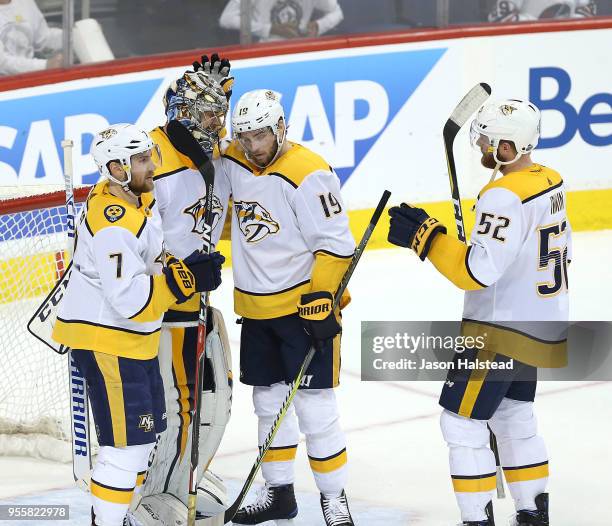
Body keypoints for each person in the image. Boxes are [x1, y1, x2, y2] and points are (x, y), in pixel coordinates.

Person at [387, 99, 570, 525]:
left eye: (488, 139)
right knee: (514, 416)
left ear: (508, 147)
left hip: (497, 329)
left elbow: (475, 271)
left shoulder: (501, 194)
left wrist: (427, 237)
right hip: (539, 322)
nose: (482, 145)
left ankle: (477, 520)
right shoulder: (550, 180)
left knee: (462, 424)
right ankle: (532, 513)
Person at [51, 123, 224, 526]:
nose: (152, 166)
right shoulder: (114, 223)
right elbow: (129, 300)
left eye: (150, 156)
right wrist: (184, 283)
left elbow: (153, 258)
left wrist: (186, 270)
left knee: (143, 441)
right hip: (109, 341)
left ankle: (120, 516)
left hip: (133, 342)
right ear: (116, 167)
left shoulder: (136, 201)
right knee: (125, 448)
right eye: (142, 160)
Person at [220, 89, 356, 526]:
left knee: (316, 408)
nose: (251, 146)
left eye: (259, 135)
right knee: (267, 404)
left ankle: (334, 498)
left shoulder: (308, 172)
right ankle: (279, 493)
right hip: (257, 312)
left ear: (281, 127)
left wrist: (321, 301)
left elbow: (337, 245)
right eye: (243, 137)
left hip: (302, 313)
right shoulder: (234, 160)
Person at [127, 58, 235, 524]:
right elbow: (131, 241)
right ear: (185, 110)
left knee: (218, 399)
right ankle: (150, 495)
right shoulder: (150, 158)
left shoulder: (218, 154)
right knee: (175, 407)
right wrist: (182, 274)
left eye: (222, 112)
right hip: (164, 310)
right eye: (210, 113)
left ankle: (184, 477)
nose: (220, 123)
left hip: (201, 303)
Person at [219, 0, 343, 42]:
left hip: (303, 51)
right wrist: (269, 29)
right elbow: (226, 18)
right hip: (264, 54)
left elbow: (337, 12)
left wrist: (318, 26)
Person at [0, 0, 63, 75]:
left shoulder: (25, 2)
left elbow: (43, 38)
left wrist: (73, 36)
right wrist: (45, 65)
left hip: (29, 78)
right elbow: (3, 63)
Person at [488, 0, 597, 22]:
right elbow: (499, 19)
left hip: (567, 43)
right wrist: (534, 23)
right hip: (524, 44)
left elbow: (587, 16)